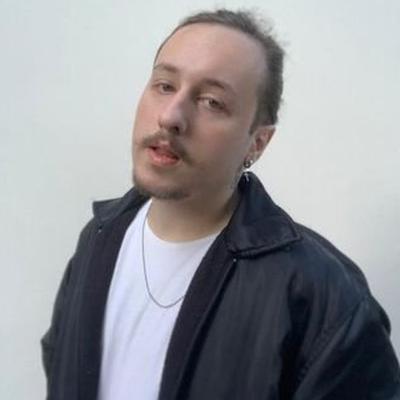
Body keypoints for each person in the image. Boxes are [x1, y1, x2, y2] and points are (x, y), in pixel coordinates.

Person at [41, 8, 400, 400]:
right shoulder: (98, 238)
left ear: (257, 143)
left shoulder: (322, 296)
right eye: (164, 85)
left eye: (212, 101)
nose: (171, 117)